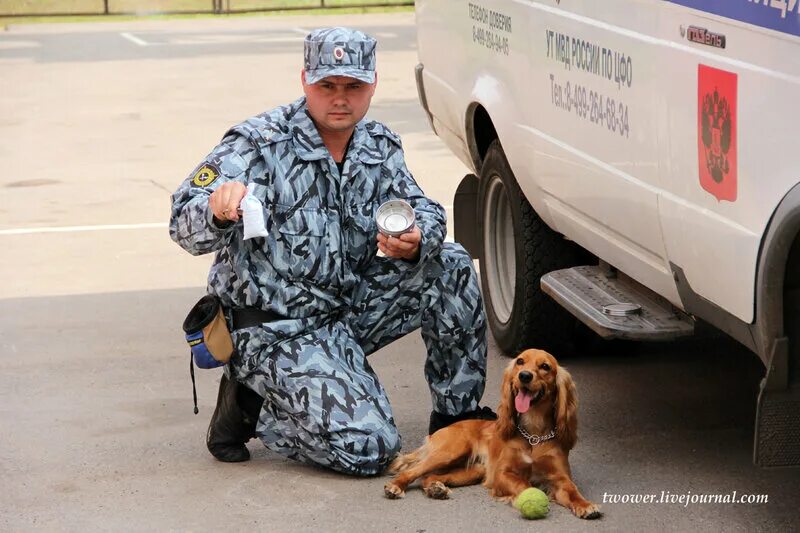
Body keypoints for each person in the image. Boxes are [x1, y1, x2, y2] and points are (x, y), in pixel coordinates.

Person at [169, 27, 494, 476]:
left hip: (346, 309)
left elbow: (422, 207)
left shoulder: (378, 145)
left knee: (450, 262)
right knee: (372, 449)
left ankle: (457, 418)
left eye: (353, 87)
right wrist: (217, 211)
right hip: (276, 330)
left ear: (372, 85)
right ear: (305, 80)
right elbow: (181, 221)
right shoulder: (257, 144)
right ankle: (256, 403)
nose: (340, 98)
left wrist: (418, 236)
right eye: (327, 86)